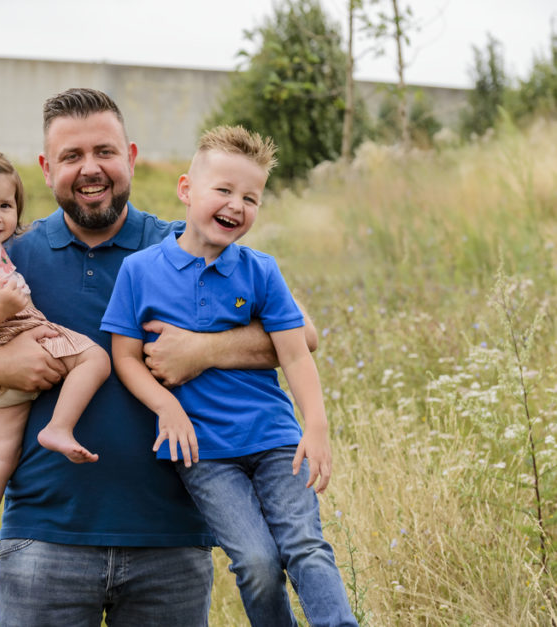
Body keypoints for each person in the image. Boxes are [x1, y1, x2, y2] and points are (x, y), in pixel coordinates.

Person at [0, 88, 317, 626]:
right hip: (44, 539)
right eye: (71, 157)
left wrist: (203, 348)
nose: (90, 170)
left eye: (104, 152)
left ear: (129, 156)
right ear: (45, 168)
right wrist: (0, 363)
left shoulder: (180, 244)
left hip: (170, 542)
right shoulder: (9, 255)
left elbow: (303, 334)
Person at [101, 125, 356, 627]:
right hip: (205, 453)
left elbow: (297, 353)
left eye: (251, 197)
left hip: (277, 440)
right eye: (224, 190)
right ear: (186, 190)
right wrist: (166, 406)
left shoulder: (261, 271)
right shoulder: (140, 271)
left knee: (305, 545)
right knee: (258, 563)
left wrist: (317, 426)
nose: (236, 205)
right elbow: (125, 357)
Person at [0, 133, 110, 583]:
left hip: (1, 365)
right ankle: (58, 427)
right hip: (9, 335)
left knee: (1, 457)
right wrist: (1, 312)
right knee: (95, 359)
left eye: (5, 206)